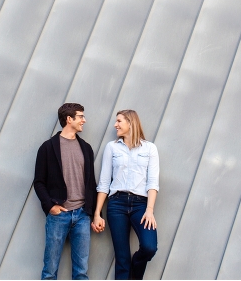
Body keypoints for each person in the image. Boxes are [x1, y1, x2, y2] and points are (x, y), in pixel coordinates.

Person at [92, 110, 159, 280]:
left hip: (141, 205)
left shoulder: (150, 148)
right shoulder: (112, 147)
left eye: (119, 121)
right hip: (116, 204)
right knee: (122, 258)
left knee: (149, 247)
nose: (116, 125)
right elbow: (104, 182)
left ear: (130, 123)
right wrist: (97, 213)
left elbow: (153, 182)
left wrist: (149, 210)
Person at [34, 103, 98, 280]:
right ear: (69, 119)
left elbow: (91, 182)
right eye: (81, 117)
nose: (84, 120)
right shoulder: (47, 148)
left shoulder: (86, 148)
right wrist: (50, 207)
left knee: (81, 272)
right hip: (58, 215)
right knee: (50, 271)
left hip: (82, 215)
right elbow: (38, 182)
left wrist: (91, 212)